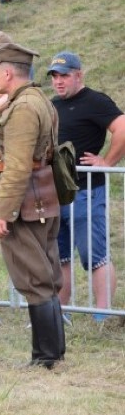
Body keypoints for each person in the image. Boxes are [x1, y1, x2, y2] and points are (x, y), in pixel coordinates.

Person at [0, 41, 65, 368]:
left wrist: (2, 212)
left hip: (26, 202)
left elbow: (17, 166)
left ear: (7, 72)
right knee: (45, 275)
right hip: (42, 198)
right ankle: (52, 353)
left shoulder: (23, 109)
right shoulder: (38, 100)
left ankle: (45, 357)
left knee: (35, 279)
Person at [48, 52, 125, 321]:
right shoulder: (52, 105)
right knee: (60, 256)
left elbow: (122, 127)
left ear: (79, 75)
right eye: (55, 76)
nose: (58, 81)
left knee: (95, 254)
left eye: (64, 75)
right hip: (57, 192)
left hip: (87, 191)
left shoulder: (95, 101)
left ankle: (102, 315)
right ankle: (60, 312)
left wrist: (108, 161)